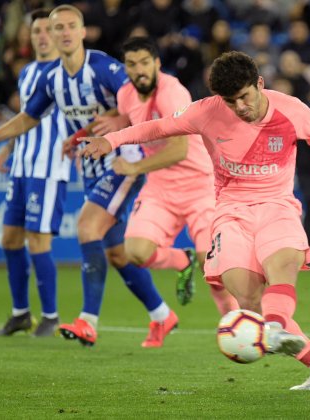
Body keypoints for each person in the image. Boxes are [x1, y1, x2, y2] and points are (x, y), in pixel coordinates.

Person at [80, 51, 310, 390]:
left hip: (277, 207)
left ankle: (274, 330)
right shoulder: (206, 111)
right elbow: (157, 126)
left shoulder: (292, 109)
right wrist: (110, 140)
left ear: (259, 83)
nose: (240, 107)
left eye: (245, 97)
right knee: (247, 298)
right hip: (231, 212)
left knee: (281, 270)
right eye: (231, 102)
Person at [0, 5, 175, 348]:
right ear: (50, 35)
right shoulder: (52, 77)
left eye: (71, 26)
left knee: (86, 227)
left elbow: (141, 99)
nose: (65, 32)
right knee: (115, 253)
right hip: (93, 167)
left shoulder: (104, 67)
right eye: (58, 28)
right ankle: (161, 315)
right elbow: (29, 116)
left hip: (124, 160)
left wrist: (116, 118)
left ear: (82, 32)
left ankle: (87, 321)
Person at [91, 36, 239, 347]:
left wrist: (133, 168)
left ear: (157, 63)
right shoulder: (127, 93)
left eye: (145, 62)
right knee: (135, 252)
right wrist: (102, 127)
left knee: (213, 267)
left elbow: (179, 149)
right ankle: (181, 261)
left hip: (199, 185)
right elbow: (127, 115)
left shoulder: (172, 93)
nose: (139, 70)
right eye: (132, 64)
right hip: (160, 188)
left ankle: (234, 324)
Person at [0, 9, 70, 337]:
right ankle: (20, 313)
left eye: (48, 30)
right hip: (23, 166)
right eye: (37, 31)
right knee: (10, 238)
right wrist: (10, 146)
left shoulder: (66, 71)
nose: (42, 36)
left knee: (37, 240)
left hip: (48, 168)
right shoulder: (27, 73)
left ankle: (51, 316)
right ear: (30, 37)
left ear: (58, 34)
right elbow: (27, 117)